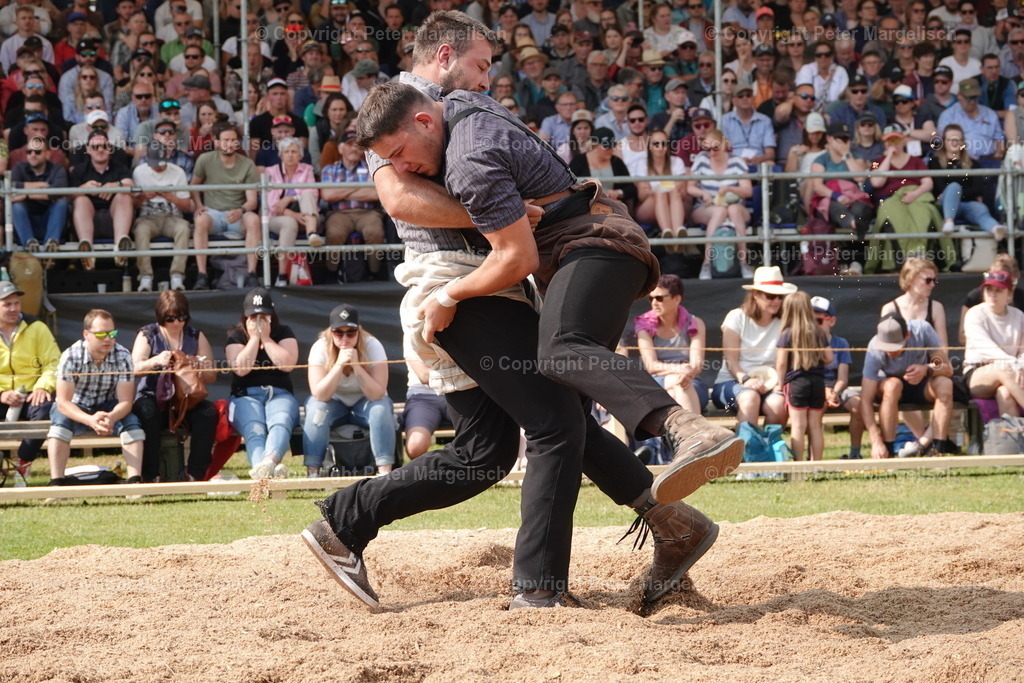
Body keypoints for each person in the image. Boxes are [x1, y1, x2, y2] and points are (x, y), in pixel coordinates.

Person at [305, 11, 729, 612]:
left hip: (481, 284)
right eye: (480, 63)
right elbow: (400, 198)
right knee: (557, 419)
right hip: (456, 281)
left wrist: (503, 215)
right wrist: (502, 214)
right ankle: (543, 587)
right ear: (446, 55)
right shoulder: (401, 107)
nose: (486, 77)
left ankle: (344, 522)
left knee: (484, 454)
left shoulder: (460, 115)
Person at [47, 309, 145, 486]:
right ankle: (56, 483)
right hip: (76, 406)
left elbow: (125, 402)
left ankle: (134, 481)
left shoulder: (123, 356)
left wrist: (111, 417)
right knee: (59, 426)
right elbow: (63, 402)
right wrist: (90, 420)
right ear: (86, 335)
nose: (108, 339)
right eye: (101, 334)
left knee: (132, 424)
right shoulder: (70, 356)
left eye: (112, 333)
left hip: (109, 406)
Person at [131, 291, 218, 482]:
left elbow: (212, 375)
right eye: (170, 318)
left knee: (209, 412)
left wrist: (200, 367)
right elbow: (133, 369)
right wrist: (154, 361)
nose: (177, 323)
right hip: (153, 398)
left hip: (186, 401)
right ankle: (151, 474)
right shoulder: (148, 334)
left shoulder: (195, 335)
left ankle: (194, 473)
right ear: (161, 317)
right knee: (147, 411)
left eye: (181, 317)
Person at [302, 304, 395, 478]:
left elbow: (377, 393)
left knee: (381, 409)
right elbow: (319, 394)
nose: (345, 338)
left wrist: (357, 366)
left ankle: (384, 472)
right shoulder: (320, 347)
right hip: (334, 403)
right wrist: (338, 365)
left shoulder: (373, 345)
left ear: (358, 331)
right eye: (339, 333)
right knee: (316, 409)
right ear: (331, 332)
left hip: (365, 402)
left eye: (350, 333)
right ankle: (312, 473)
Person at [226, 288, 300, 480]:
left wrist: (266, 339)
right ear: (245, 317)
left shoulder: (283, 332)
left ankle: (268, 462)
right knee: (254, 428)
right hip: (245, 395)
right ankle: (266, 475)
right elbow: (240, 368)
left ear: (272, 314)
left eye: (264, 315)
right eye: (254, 316)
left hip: (279, 393)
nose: (259, 320)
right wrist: (254, 339)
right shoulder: (236, 335)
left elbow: (287, 364)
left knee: (281, 421)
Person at [860, 312, 956, 458]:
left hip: (922, 386)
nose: (890, 352)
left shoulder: (923, 330)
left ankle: (938, 451)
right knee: (893, 385)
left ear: (908, 335)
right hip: (890, 389)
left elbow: (946, 367)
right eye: (886, 347)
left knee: (945, 384)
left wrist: (927, 369)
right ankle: (888, 450)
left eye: (895, 346)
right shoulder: (874, 348)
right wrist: (875, 442)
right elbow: (865, 399)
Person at [712, 266, 795, 428]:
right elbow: (730, 360)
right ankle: (748, 451)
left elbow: (783, 362)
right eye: (771, 296)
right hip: (731, 383)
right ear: (756, 295)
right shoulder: (736, 317)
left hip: (770, 386)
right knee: (750, 397)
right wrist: (746, 379)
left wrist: (776, 384)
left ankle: (767, 448)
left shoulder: (785, 321)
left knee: (779, 404)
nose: (777, 301)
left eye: (780, 296)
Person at [190, 122, 261, 290]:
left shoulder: (247, 164)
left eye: (233, 140)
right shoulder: (205, 159)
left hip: (237, 214)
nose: (230, 144)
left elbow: (252, 201)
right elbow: (193, 186)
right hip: (212, 213)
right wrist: (199, 205)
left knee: (253, 219)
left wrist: (241, 210)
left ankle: (252, 274)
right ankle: (202, 275)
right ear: (216, 142)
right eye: (226, 140)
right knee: (199, 220)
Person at [0, 281, 59, 483]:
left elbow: (54, 363)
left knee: (46, 410)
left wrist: (43, 386)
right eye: (7, 304)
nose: (14, 308)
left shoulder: (37, 328)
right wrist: (2, 393)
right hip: (2, 396)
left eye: (16, 303)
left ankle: (22, 464)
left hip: (32, 394)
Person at [867, 126, 940, 273]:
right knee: (894, 217)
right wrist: (888, 157)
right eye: (889, 141)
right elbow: (876, 183)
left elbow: (928, 182)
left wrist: (915, 194)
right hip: (890, 198)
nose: (893, 144)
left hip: (916, 195)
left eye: (896, 140)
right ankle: (901, 260)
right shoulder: (877, 162)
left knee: (923, 215)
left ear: (903, 140)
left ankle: (919, 256)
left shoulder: (916, 161)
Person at [634, 274, 708, 414]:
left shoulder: (695, 323)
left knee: (677, 391)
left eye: (660, 298)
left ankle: (684, 434)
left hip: (691, 381)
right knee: (677, 385)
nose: (654, 303)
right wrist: (681, 370)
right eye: (651, 298)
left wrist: (685, 373)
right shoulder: (644, 325)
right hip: (658, 383)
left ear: (677, 299)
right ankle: (695, 433)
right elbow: (651, 366)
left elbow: (696, 365)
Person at [320, 129, 386, 282]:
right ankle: (332, 273)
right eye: (349, 145)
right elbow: (327, 195)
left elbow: (375, 194)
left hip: (367, 212)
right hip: (339, 214)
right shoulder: (329, 170)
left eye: (356, 145)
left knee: (374, 232)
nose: (353, 148)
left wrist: (341, 191)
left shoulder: (371, 167)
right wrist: (360, 187)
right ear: (340, 149)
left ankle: (374, 274)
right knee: (334, 233)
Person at [687, 128, 754, 280]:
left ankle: (743, 262)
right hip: (706, 207)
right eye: (707, 148)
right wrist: (703, 193)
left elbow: (747, 191)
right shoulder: (701, 160)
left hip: (734, 207)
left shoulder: (737, 161)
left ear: (724, 144)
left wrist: (730, 189)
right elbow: (690, 187)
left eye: (715, 148)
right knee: (720, 211)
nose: (711, 152)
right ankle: (707, 262)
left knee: (733, 209)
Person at [776, 292, 833, 461]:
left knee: (798, 426)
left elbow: (781, 363)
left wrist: (780, 384)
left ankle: (799, 466)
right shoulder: (819, 332)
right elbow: (830, 358)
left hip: (797, 383)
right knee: (815, 426)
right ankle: (816, 466)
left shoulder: (786, 334)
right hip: (817, 383)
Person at [131, 143, 193, 293]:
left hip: (172, 216)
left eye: (160, 164)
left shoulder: (178, 172)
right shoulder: (139, 172)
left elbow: (188, 206)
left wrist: (172, 197)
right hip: (148, 217)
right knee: (141, 231)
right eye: (154, 164)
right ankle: (145, 276)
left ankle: (177, 275)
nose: (158, 167)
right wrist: (144, 196)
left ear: (166, 157)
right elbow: (133, 204)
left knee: (184, 228)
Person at [70, 131, 136, 271]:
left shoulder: (119, 167)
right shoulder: (79, 170)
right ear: (88, 149)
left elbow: (131, 185)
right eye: (95, 147)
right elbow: (68, 197)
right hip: (87, 221)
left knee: (124, 195)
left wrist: (116, 185)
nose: (100, 150)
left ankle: (120, 248)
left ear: (110, 148)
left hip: (115, 220)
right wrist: (83, 188)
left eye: (104, 146)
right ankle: (87, 250)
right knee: (80, 199)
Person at [962, 270, 1024, 417]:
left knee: (1005, 393)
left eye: (998, 290)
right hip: (977, 373)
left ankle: (1012, 438)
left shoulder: (1019, 316)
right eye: (989, 290)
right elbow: (985, 348)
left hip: (1013, 371)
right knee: (1003, 370)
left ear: (1009, 294)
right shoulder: (974, 314)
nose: (992, 294)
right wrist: (1013, 363)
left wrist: (1020, 366)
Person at [929, 124, 1006, 239]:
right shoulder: (934, 162)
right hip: (944, 205)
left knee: (979, 208)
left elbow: (978, 189)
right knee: (954, 187)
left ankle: (995, 228)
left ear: (962, 142)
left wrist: (957, 195)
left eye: (957, 139)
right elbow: (939, 188)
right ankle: (948, 221)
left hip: (966, 205)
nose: (954, 143)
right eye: (950, 139)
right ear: (944, 141)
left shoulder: (973, 163)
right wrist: (960, 193)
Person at [811, 296, 865, 459]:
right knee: (816, 409)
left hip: (837, 388)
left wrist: (834, 391)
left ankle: (854, 453)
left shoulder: (841, 343)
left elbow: (843, 377)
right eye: (809, 320)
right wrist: (825, 391)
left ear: (831, 321)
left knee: (859, 406)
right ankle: (814, 458)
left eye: (819, 321)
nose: (814, 326)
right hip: (814, 388)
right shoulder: (806, 343)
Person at [265, 137, 322, 287]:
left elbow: (313, 193)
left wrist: (290, 198)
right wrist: (293, 214)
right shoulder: (271, 171)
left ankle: (312, 234)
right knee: (289, 223)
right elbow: (272, 205)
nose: (290, 155)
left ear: (300, 155)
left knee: (308, 194)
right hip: (278, 218)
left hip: (308, 216)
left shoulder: (307, 169)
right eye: (287, 152)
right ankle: (282, 275)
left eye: (294, 152)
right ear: (281, 155)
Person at [629, 129, 686, 250]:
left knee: (671, 192)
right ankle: (668, 234)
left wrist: (654, 189)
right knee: (662, 194)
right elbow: (641, 196)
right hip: (648, 207)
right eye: (656, 144)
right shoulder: (641, 163)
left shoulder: (677, 162)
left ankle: (676, 232)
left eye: (664, 143)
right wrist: (659, 191)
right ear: (650, 146)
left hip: (673, 205)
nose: (660, 147)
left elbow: (682, 192)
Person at [11, 136, 68, 255]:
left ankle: (51, 243)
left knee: (62, 202)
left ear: (47, 154)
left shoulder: (57, 169)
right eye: (29, 151)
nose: (32, 154)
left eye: (37, 151)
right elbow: (11, 188)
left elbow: (58, 191)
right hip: (26, 223)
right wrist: (41, 186)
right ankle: (29, 243)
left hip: (50, 221)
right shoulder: (19, 168)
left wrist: (25, 194)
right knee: (17, 206)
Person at [958, 254, 1024, 346]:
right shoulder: (974, 301)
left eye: (1013, 283)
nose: (1010, 288)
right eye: (1002, 283)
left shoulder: (1020, 311)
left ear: (1018, 276)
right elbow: (962, 337)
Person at [568, 127, 636, 207]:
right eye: (606, 146)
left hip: (612, 205)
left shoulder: (617, 162)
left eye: (613, 145)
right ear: (594, 146)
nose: (611, 149)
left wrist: (618, 192)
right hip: (586, 206)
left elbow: (631, 188)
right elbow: (569, 186)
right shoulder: (579, 161)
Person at [401, 358, 453, 459]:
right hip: (422, 397)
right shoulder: (413, 341)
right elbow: (425, 376)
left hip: (459, 393)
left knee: (483, 434)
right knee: (415, 447)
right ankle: (429, 471)